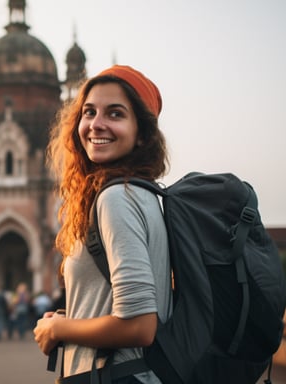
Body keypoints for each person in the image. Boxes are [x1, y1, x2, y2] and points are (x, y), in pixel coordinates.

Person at [33, 64, 172, 384]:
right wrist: (76, 317)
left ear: (142, 133)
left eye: (115, 114)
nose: (96, 124)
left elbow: (139, 325)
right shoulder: (143, 193)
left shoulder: (116, 199)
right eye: (89, 112)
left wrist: (57, 328)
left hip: (113, 376)